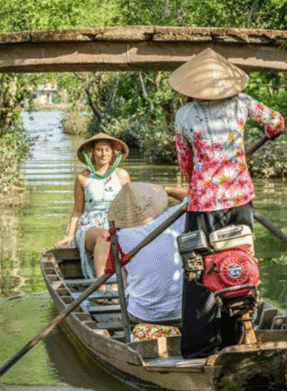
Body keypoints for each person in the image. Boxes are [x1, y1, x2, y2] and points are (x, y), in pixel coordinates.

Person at [169, 47, 285, 357]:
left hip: (203, 205)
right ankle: (235, 340)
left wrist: (200, 177)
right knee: (236, 267)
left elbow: (185, 163)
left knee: (199, 273)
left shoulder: (184, 115)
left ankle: (199, 350)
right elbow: (276, 122)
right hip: (239, 202)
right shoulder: (243, 104)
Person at [105, 182, 188, 330]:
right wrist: (166, 189)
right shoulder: (176, 216)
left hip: (142, 315)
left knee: (125, 275)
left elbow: (118, 272)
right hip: (183, 313)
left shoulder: (118, 236)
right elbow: (193, 197)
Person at [54, 132, 131, 284]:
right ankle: (102, 287)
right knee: (105, 236)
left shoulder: (122, 175)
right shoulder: (82, 178)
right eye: (99, 150)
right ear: (92, 152)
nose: (103, 154)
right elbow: (77, 210)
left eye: (107, 150)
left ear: (113, 153)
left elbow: (128, 207)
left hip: (116, 224)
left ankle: (123, 287)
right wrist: (69, 235)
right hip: (90, 226)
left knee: (123, 238)